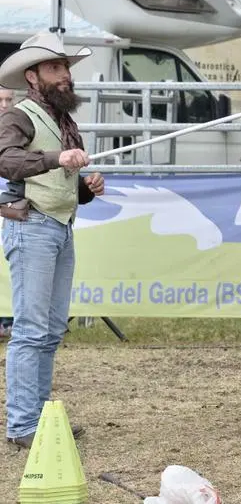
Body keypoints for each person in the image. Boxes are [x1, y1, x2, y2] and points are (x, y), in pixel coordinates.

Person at [0, 31, 105, 449]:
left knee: (49, 329)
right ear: (32, 76)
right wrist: (57, 158)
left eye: (65, 68)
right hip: (33, 227)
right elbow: (6, 161)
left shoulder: (65, 121)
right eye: (55, 68)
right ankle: (23, 425)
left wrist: (86, 187)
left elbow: (64, 182)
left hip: (58, 226)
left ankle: (37, 420)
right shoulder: (18, 116)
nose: (65, 76)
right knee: (30, 329)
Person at [0, 87, 15, 337]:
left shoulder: (19, 130)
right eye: (0, 100)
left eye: (9, 99)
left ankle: (8, 321)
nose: (5, 105)